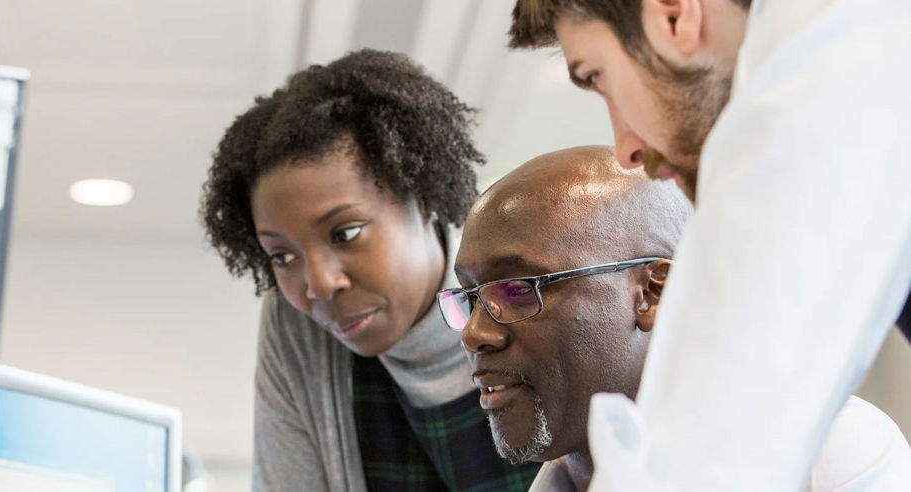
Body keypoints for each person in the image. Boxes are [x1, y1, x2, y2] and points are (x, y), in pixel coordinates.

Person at [504, 1, 911, 489]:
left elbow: (706, 460)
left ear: (674, 16)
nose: (626, 149)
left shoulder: (819, 86)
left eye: (598, 77)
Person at [442, 146, 911, 491]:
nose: (474, 332)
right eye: (469, 297)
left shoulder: (829, 453)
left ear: (652, 292)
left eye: (520, 289)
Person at [199, 49, 541, 491]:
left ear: (421, 198)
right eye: (282, 256)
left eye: (345, 233)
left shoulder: (528, 291)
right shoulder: (297, 330)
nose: (318, 285)